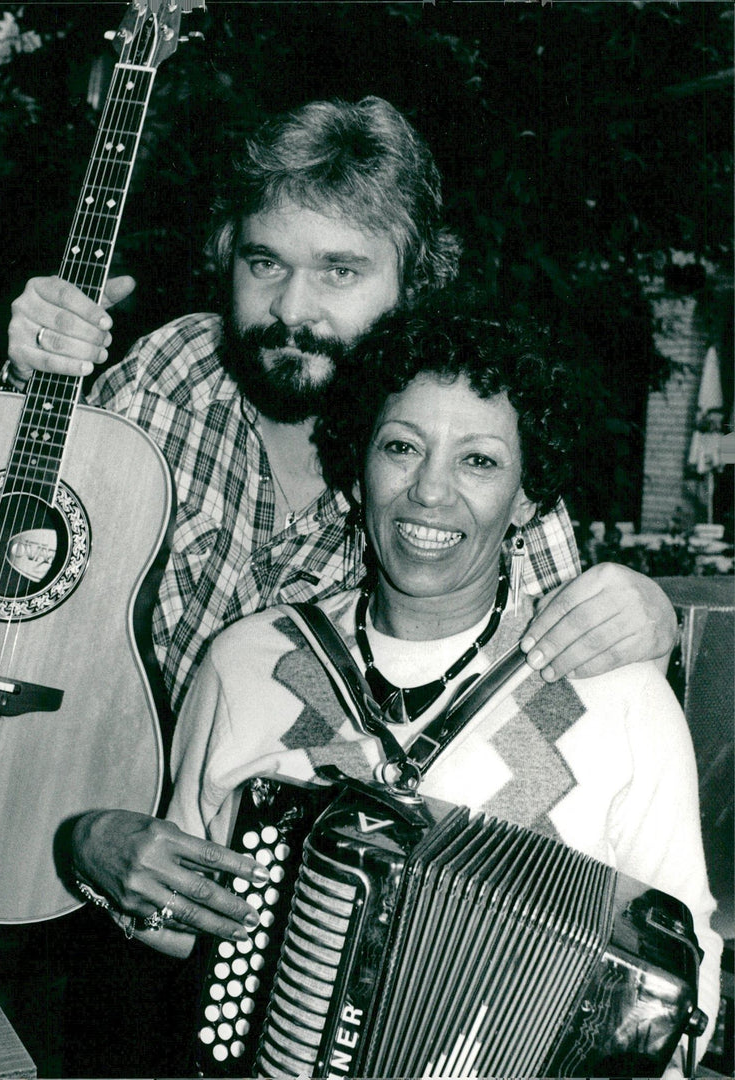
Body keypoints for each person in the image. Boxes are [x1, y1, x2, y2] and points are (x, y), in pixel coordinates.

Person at [0, 95, 679, 1074]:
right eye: (264, 262)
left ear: (415, 281)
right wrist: (28, 393)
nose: (290, 309)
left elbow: (556, 707)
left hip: (337, 954)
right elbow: (12, 585)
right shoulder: (167, 375)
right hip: (69, 861)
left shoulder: (453, 449)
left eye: (340, 271)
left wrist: (646, 618)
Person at [108, 299, 720, 1077]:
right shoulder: (246, 663)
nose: (430, 490)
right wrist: (103, 865)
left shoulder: (613, 694)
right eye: (401, 447)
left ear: (528, 496)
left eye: (479, 461)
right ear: (358, 469)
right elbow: (180, 920)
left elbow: (685, 970)